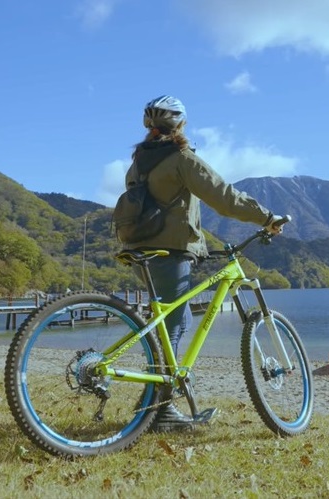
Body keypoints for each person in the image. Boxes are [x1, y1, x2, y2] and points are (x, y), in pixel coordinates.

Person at [123, 95, 285, 432]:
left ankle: (150, 406)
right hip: (168, 252)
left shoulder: (138, 162)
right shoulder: (181, 158)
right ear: (180, 124)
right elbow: (224, 197)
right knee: (175, 326)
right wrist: (267, 218)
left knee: (162, 330)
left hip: (140, 251)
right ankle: (161, 411)